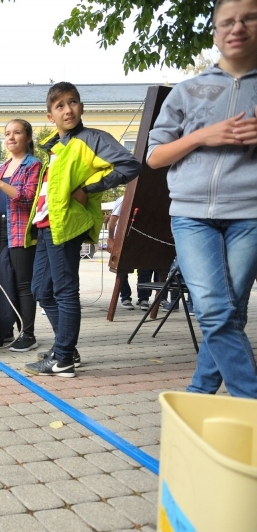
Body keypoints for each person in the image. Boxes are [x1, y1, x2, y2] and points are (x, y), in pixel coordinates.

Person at [146, 0, 257, 398]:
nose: (238, 27)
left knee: (229, 312)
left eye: (249, 18)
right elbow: (154, 157)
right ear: (214, 32)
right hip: (192, 215)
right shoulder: (188, 90)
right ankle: (250, 402)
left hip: (251, 213)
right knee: (214, 309)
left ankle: (200, 390)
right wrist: (201, 136)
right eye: (227, 21)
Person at [24, 82, 141, 377]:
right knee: (41, 289)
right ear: (50, 116)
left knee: (65, 291)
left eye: (73, 102)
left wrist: (89, 189)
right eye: (60, 106)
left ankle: (63, 358)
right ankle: (67, 347)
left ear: (82, 107)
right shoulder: (55, 146)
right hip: (46, 224)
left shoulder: (92, 139)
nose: (68, 109)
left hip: (67, 225)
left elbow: (129, 165)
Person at [0, 119, 41, 352]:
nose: (11, 137)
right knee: (4, 281)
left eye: (16, 133)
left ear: (28, 137)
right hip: (1, 232)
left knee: (23, 284)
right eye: (7, 134)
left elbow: (26, 197)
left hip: (21, 233)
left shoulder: (33, 165)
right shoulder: (4, 167)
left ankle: (28, 334)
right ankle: (6, 330)